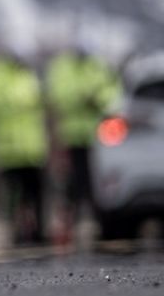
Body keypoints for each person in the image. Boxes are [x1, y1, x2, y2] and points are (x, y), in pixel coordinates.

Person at [0, 50, 49, 244]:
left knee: (35, 193)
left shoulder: (29, 75)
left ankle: (38, 231)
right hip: (8, 150)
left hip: (32, 148)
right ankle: (16, 232)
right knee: (13, 195)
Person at [46, 46, 120, 231]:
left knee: (97, 179)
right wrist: (81, 98)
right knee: (72, 180)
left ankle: (99, 218)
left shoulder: (98, 66)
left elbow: (112, 94)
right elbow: (57, 96)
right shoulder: (63, 69)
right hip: (72, 136)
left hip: (99, 136)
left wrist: (97, 99)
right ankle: (74, 218)